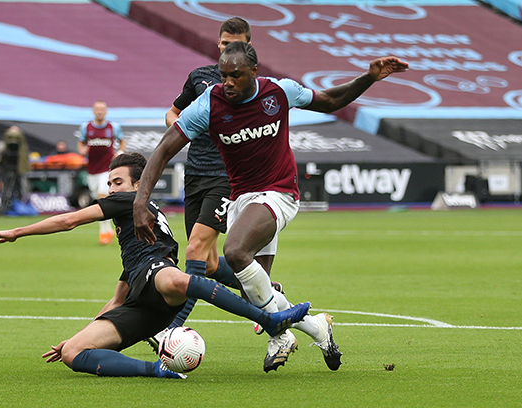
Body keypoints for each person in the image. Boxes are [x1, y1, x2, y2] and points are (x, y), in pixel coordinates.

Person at [134, 42, 409, 372]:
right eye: (223, 76)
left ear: (254, 71)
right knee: (256, 288)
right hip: (243, 199)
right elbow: (164, 149)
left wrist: (368, 77)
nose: (228, 83)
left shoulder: (279, 92)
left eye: (235, 75)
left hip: (280, 192)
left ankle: (278, 332)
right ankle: (317, 327)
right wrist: (141, 201)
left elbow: (332, 101)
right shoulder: (209, 104)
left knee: (235, 251)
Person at [0, 152, 310, 379]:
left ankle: (270, 320)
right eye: (109, 184)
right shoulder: (133, 244)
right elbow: (118, 300)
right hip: (143, 297)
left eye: (118, 182)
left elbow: (69, 221)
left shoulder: (132, 204)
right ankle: (157, 370)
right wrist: (77, 337)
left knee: (174, 280)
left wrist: (17, 231)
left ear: (138, 186)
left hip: (158, 278)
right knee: (73, 353)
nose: (111, 189)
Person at [151, 17, 257, 343]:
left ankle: (170, 328)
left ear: (249, 47)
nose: (228, 49)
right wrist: (182, 126)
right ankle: (263, 287)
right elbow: (171, 112)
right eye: (224, 44)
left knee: (195, 249)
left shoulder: (252, 83)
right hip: (194, 173)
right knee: (208, 264)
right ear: (219, 43)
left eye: (236, 44)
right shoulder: (200, 78)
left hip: (226, 177)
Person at [78, 101, 126, 245]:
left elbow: (122, 140)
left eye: (102, 109)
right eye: (97, 109)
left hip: (107, 168)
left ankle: (104, 232)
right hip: (92, 168)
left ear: (106, 111)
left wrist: (120, 153)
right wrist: (82, 150)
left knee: (102, 195)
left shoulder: (113, 127)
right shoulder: (86, 127)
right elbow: (81, 142)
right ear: (93, 111)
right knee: (95, 197)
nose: (100, 112)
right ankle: (107, 229)